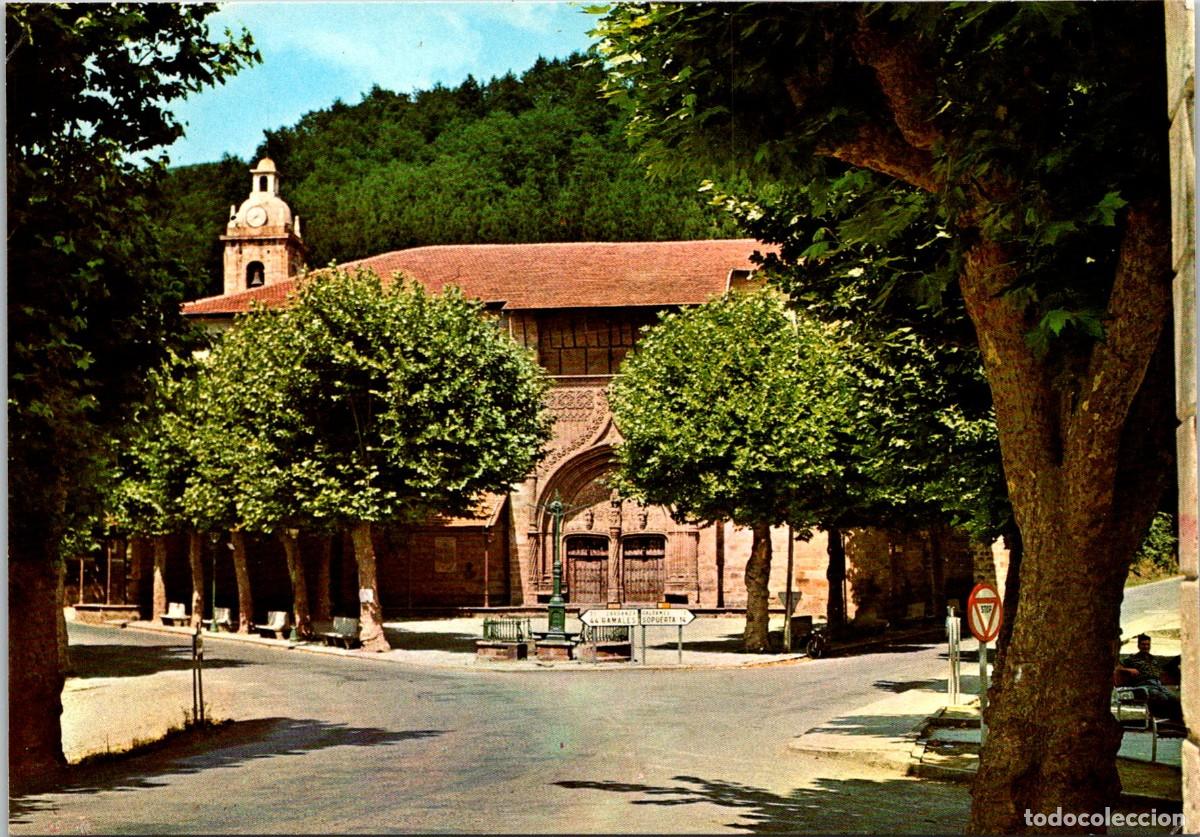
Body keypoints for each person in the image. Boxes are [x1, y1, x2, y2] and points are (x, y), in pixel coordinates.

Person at [1115, 633, 1182, 721]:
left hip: (1158, 686)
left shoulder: (1154, 659)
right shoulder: (1132, 659)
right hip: (1143, 686)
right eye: (1143, 644)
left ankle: (1174, 723)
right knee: (1162, 698)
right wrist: (1128, 670)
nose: (1146, 647)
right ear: (1138, 645)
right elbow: (1116, 665)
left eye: (1147, 644)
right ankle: (1162, 721)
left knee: (1175, 699)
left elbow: (1168, 665)